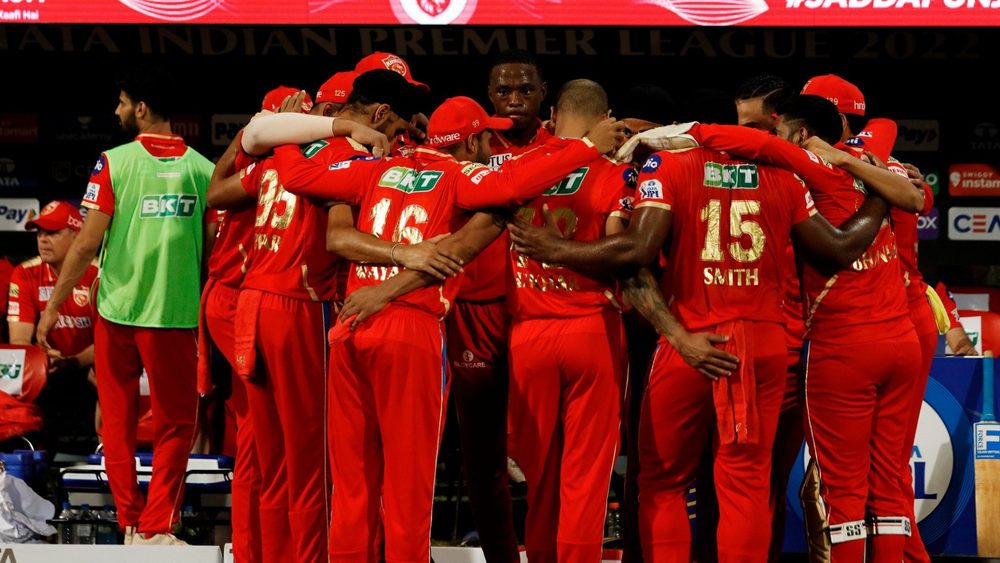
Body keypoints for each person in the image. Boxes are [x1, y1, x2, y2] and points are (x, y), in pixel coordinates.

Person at [253, 94, 623, 563]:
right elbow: (515, 183)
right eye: (486, 138)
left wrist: (286, 127)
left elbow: (296, 176)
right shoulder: (461, 177)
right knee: (407, 491)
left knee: (351, 488)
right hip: (411, 328)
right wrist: (587, 147)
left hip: (351, 325)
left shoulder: (375, 169)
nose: (491, 147)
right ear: (470, 142)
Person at [682, 98, 923, 563]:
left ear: (801, 135)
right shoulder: (879, 163)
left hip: (843, 346)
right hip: (902, 343)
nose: (774, 141)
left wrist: (683, 131)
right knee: (891, 483)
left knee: (844, 489)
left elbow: (751, 143)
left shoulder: (813, 166)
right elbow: (914, 191)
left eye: (780, 132)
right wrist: (858, 165)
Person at [227, 70, 424, 563]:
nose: (397, 140)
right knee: (310, 464)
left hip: (252, 302)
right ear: (380, 115)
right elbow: (340, 235)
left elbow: (232, 170)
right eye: (397, 129)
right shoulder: (353, 157)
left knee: (273, 463)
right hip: (300, 304)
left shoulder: (287, 143)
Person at [36, 62, 214, 546]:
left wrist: (52, 307)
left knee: (116, 421)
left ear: (141, 108)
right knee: (176, 424)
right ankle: (156, 526)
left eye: (121, 102)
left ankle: (131, 522)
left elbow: (85, 244)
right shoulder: (204, 170)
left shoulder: (114, 162)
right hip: (173, 316)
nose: (116, 110)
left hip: (117, 314)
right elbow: (212, 252)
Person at [506, 79, 634, 563]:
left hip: (528, 334)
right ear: (606, 117)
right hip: (591, 331)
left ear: (553, 115)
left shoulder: (521, 167)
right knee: (587, 477)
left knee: (540, 477)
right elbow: (621, 250)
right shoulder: (615, 174)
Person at [444, 47, 552, 563]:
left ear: (543, 94)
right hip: (476, 308)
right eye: (504, 90)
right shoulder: (470, 141)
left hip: (544, 309)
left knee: (546, 449)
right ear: (489, 95)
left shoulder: (566, 144)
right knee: (483, 452)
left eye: (525, 90)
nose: (514, 99)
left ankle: (553, 547)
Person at [7, 200, 98, 452]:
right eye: (40, 233)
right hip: (45, 367)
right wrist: (44, 360)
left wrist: (74, 361)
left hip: (89, 364)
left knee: (107, 371)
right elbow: (19, 344)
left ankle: (107, 455)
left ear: (76, 235)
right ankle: (25, 457)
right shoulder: (25, 273)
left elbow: (111, 341)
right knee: (16, 375)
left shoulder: (100, 273)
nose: (43, 240)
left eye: (52, 233)